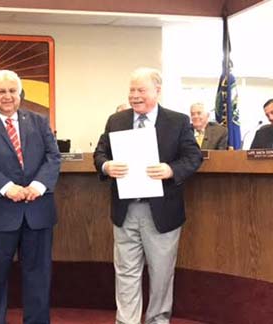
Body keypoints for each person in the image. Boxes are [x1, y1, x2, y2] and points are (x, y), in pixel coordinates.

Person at [93, 67, 202, 324]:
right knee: (126, 272)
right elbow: (99, 154)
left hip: (162, 211)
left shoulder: (177, 121)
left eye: (141, 90)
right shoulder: (116, 120)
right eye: (132, 90)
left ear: (157, 91)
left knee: (161, 273)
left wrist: (170, 169)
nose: (135, 95)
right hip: (125, 209)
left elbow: (193, 157)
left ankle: (158, 320)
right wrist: (107, 166)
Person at [0, 70, 61, 324]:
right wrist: (8, 187)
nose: (7, 96)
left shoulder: (40, 121)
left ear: (20, 94)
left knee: (39, 279)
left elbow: (53, 157)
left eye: (12, 91)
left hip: (37, 212)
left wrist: (38, 185)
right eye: (1, 91)